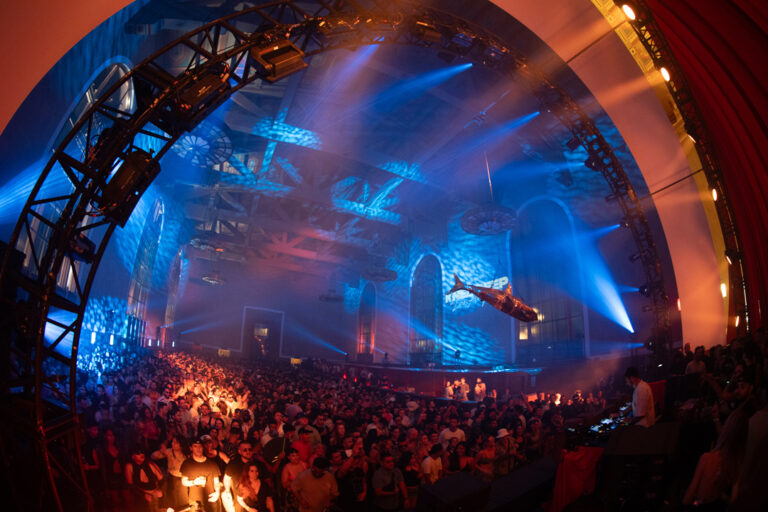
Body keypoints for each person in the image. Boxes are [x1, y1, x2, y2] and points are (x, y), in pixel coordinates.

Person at [181, 438, 222, 512]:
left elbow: (216, 481)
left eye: (200, 446)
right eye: (195, 446)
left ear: (203, 448)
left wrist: (217, 493)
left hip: (210, 499)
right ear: (191, 448)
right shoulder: (187, 463)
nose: (198, 449)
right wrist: (194, 482)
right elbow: (184, 481)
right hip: (195, 501)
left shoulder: (212, 463)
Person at [124, 445, 164, 512]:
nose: (141, 454)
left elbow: (161, 479)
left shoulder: (151, 464)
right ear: (133, 456)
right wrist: (143, 495)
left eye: (142, 452)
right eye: (138, 453)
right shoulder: (129, 466)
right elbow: (130, 485)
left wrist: (159, 489)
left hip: (154, 494)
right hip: (140, 496)